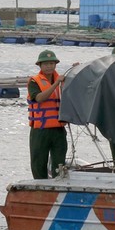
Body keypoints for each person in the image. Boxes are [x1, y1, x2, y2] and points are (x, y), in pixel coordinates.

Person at [27, 49, 68, 179]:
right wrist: (56, 83)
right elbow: (39, 98)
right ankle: (39, 186)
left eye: (51, 63)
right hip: (40, 130)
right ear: (40, 65)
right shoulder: (34, 81)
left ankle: (57, 186)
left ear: (55, 64)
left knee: (59, 163)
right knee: (38, 163)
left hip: (58, 130)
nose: (49, 66)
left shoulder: (63, 80)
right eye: (45, 64)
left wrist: (75, 70)